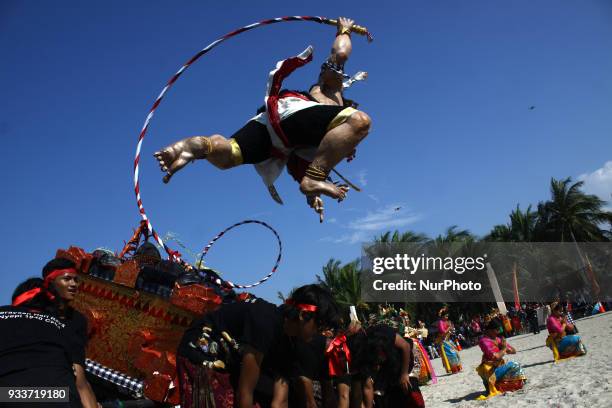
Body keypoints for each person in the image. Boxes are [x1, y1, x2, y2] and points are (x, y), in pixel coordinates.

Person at [154, 17, 372, 222]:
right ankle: (316, 178)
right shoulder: (332, 93)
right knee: (360, 121)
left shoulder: (324, 139)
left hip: (271, 132)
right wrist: (344, 30)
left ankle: (199, 146)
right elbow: (340, 55)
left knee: (228, 154)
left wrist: (312, 194)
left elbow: (300, 163)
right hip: (293, 116)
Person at [176, 284, 339, 408]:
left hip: (230, 362)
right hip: (202, 352)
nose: (321, 333)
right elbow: (245, 391)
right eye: (320, 326)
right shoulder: (266, 323)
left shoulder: (292, 343)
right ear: (303, 315)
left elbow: (280, 401)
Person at [1, 258, 99, 408]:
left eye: (75, 280)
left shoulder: (5, 315)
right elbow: (80, 382)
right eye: (67, 279)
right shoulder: (59, 325)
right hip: (61, 396)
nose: (73, 284)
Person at [349, 324, 425, 408]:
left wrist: (404, 373)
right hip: (388, 364)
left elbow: (405, 346)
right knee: (383, 395)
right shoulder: (360, 356)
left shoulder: (381, 331)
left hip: (407, 355)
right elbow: (368, 387)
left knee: (408, 386)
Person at [475, 320, 526, 400]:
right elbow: (495, 357)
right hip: (490, 372)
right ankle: (497, 385)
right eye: (497, 330)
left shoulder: (498, 339)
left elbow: (514, 351)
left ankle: (501, 385)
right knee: (515, 365)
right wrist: (504, 348)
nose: (499, 332)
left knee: (515, 366)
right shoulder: (484, 341)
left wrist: (504, 347)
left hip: (497, 368)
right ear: (490, 330)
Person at [435, 307, 462, 374]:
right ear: (443, 316)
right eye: (446, 316)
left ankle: (457, 368)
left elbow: (450, 330)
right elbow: (443, 332)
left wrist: (451, 329)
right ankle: (453, 369)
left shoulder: (446, 322)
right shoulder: (440, 322)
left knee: (455, 353)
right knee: (451, 355)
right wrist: (449, 328)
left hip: (448, 340)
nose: (447, 317)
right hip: (443, 342)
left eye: (447, 316)